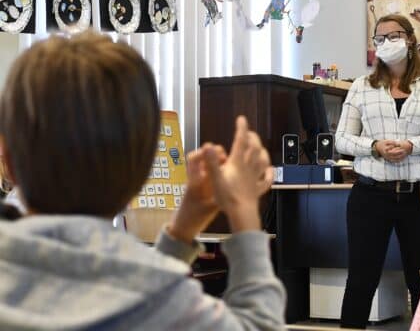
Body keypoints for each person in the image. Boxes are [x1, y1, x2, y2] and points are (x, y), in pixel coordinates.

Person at [0, 32, 285, 330]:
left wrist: (181, 231)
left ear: (6, 156)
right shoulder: (163, 301)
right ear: (144, 173)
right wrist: (244, 213)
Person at [335, 14, 420, 328]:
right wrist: (374, 146)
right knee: (361, 279)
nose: (387, 43)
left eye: (394, 35)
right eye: (380, 38)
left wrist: (413, 145)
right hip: (370, 195)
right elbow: (342, 139)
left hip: (419, 196)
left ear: (411, 39)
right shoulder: (362, 87)